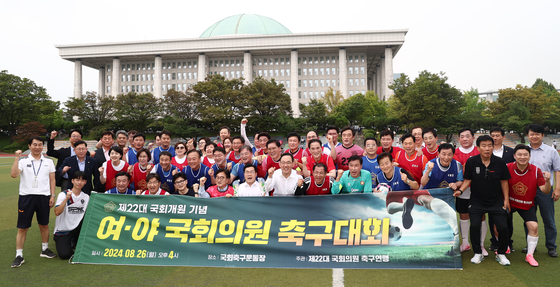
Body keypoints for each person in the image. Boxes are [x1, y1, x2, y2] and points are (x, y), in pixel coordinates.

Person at [454, 135, 511, 265]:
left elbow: (504, 182)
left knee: (502, 227)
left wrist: (506, 199)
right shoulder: (471, 162)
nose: (487, 148)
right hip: (476, 201)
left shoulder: (499, 162)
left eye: (489, 145)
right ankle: (478, 253)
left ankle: (501, 253)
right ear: (478, 147)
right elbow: (468, 180)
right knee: (474, 226)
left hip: (496, 201)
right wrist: (461, 191)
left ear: (493, 147)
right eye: (484, 146)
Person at [11, 137, 57, 267]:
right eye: (35, 144)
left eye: (40, 145)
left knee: (44, 224)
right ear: (29, 146)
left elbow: (52, 180)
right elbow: (14, 175)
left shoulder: (48, 161)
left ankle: (45, 249)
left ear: (43, 146)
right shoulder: (23, 161)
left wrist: (52, 195)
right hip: (26, 197)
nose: (37, 147)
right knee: (22, 227)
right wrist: (16, 158)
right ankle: (19, 255)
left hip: (44, 197)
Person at [507, 145, 551, 266]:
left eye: (525, 155)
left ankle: (529, 255)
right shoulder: (507, 167)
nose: (522, 157)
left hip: (526, 204)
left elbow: (545, 191)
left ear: (529, 156)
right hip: (509, 202)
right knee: (499, 224)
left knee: (534, 227)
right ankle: (505, 246)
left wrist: (547, 181)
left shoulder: (536, 171)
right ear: (514, 156)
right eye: (519, 154)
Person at [526, 124, 560, 257]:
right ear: (527, 135)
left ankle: (551, 246)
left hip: (545, 190)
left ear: (542, 135)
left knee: (548, 219)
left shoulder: (551, 151)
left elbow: (557, 170)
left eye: (537, 134)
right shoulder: (523, 150)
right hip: (528, 190)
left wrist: (557, 188)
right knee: (529, 219)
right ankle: (530, 246)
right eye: (532, 134)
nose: (534, 136)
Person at [453, 128, 481, 253]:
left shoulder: (479, 151)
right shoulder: (454, 153)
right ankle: (465, 243)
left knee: (481, 216)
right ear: (459, 139)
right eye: (462, 137)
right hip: (462, 190)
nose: (465, 139)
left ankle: (481, 244)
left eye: (467, 136)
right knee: (463, 215)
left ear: (473, 138)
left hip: (479, 190)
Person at [489, 126, 515, 252]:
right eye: (492, 135)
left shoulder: (510, 152)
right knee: (492, 218)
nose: (495, 138)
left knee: (507, 216)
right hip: (491, 189)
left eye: (497, 135)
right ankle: (494, 241)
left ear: (503, 137)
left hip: (507, 188)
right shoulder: (487, 151)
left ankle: (508, 242)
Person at [52, 171, 90, 260]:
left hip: (77, 228)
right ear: (72, 181)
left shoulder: (86, 197)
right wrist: (66, 199)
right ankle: (69, 242)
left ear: (85, 182)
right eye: (77, 180)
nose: (79, 182)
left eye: (82, 180)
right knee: (65, 255)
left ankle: (75, 241)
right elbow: (57, 212)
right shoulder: (63, 194)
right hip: (63, 229)